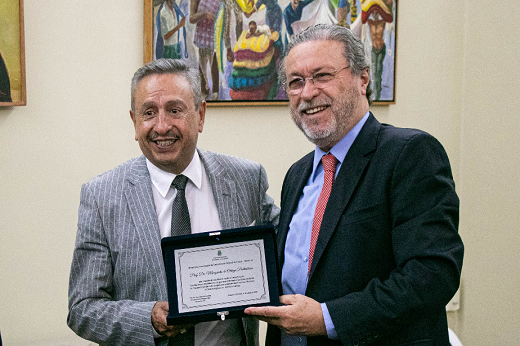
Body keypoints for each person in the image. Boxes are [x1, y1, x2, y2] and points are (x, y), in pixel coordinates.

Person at [245, 24, 464, 346]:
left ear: (363, 78)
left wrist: (328, 319)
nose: (307, 93)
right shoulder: (298, 174)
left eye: (322, 76)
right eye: (296, 82)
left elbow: (432, 274)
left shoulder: (409, 153)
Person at [67, 58, 279, 346]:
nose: (162, 126)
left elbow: (291, 253)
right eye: (149, 113)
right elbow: (83, 309)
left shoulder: (245, 179)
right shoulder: (102, 197)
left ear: (200, 115)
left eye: (175, 110)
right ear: (134, 122)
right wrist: (148, 318)